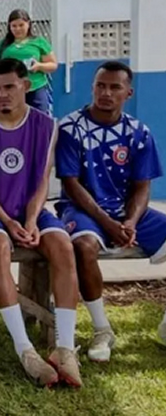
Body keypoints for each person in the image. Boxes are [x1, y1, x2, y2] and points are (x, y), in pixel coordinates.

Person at [0, 58, 81, 388]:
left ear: (26, 86)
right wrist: (6, 221)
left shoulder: (46, 125)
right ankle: (25, 349)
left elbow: (42, 179)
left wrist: (30, 220)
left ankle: (65, 349)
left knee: (61, 246)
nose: (1, 95)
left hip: (31, 207)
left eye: (9, 87)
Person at [55, 60, 166, 362]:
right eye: (100, 85)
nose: (106, 92)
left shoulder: (138, 132)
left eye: (114, 87)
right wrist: (108, 223)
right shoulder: (70, 128)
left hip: (124, 212)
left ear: (128, 93)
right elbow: (71, 184)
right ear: (92, 88)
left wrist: (129, 221)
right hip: (82, 209)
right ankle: (102, 329)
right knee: (84, 245)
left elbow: (143, 187)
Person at [0, 9, 57, 115]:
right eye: (14, 26)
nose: (18, 29)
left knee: (39, 120)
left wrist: (39, 66)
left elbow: (53, 65)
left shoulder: (39, 42)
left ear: (28, 24)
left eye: (21, 25)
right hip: (10, 91)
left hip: (35, 87)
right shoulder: (2, 45)